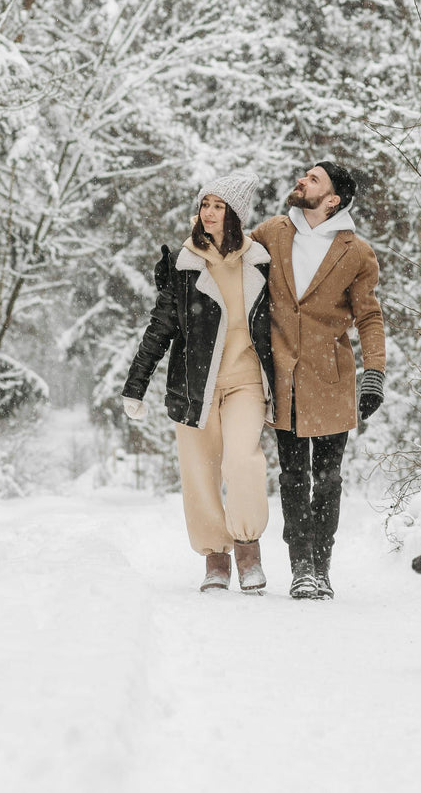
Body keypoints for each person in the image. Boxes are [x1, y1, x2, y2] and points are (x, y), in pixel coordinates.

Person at [121, 170, 275, 593]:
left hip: (245, 382)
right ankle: (215, 560)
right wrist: (136, 385)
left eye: (218, 206)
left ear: (235, 215)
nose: (207, 213)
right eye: (205, 204)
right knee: (199, 472)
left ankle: (248, 550)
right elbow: (161, 327)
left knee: (242, 462)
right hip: (195, 386)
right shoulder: (183, 264)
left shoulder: (259, 261)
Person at [250, 162, 386, 600]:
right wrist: (187, 263)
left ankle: (322, 567)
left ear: (333, 200)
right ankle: (301, 567)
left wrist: (375, 374)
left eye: (314, 179)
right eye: (305, 174)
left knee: (327, 478)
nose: (301, 180)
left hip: (331, 377)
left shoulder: (357, 252)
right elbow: (230, 258)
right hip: (283, 376)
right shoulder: (272, 232)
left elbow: (369, 315)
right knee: (293, 476)